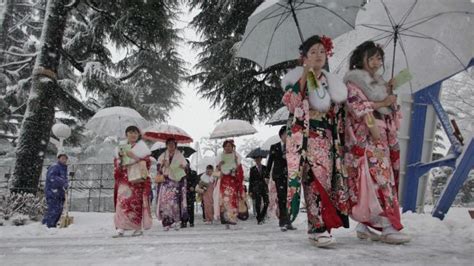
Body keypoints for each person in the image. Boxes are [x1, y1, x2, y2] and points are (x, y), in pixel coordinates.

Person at [281, 35, 350, 247]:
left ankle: (317, 227)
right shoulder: (297, 80)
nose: (318, 55)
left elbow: (337, 111)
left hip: (327, 139)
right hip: (306, 140)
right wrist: (305, 74)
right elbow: (293, 105)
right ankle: (319, 227)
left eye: (321, 51)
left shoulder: (331, 82)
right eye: (312, 52)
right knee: (312, 183)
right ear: (303, 57)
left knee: (326, 183)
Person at [343, 41, 410, 244]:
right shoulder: (353, 83)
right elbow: (357, 108)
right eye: (371, 57)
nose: (375, 62)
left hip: (383, 137)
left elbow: (392, 115)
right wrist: (382, 103)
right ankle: (388, 226)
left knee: (376, 180)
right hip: (368, 136)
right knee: (380, 181)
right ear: (360, 59)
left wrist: (390, 97)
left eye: (379, 58)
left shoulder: (381, 83)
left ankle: (365, 224)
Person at [113, 126, 152, 237]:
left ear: (138, 135)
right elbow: (117, 166)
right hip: (124, 180)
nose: (133, 135)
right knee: (121, 203)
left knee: (135, 204)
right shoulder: (120, 148)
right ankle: (121, 227)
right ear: (126, 135)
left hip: (136, 180)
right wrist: (120, 159)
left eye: (135, 133)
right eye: (130, 132)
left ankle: (137, 227)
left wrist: (134, 157)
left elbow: (147, 164)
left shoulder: (143, 149)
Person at [266, 126, 296, 231]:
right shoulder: (275, 147)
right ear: (281, 136)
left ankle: (289, 221)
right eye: (284, 135)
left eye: (288, 134)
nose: (286, 137)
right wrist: (266, 175)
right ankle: (283, 221)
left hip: (291, 176)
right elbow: (270, 162)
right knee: (282, 198)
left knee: (290, 199)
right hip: (279, 176)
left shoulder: (293, 147)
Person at [155, 138, 188, 231]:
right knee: (165, 202)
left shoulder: (180, 155)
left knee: (174, 203)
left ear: (175, 145)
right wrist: (162, 165)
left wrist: (183, 167)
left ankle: (176, 221)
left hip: (176, 181)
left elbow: (186, 168)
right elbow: (158, 169)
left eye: (173, 144)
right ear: (166, 145)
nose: (171, 146)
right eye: (169, 144)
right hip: (166, 181)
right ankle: (166, 222)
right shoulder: (163, 155)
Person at [215, 139, 244, 229]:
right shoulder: (220, 157)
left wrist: (236, 163)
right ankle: (225, 220)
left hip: (233, 181)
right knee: (224, 201)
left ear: (233, 147)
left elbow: (240, 172)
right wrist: (219, 166)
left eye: (229, 146)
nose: (228, 148)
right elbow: (215, 174)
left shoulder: (236, 157)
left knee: (232, 200)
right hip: (223, 181)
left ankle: (233, 219)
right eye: (226, 146)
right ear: (223, 147)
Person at [42, 153, 69, 228]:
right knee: (53, 210)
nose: (64, 160)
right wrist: (63, 182)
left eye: (65, 159)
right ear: (58, 159)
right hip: (52, 192)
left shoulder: (64, 168)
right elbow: (52, 177)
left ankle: (50, 225)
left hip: (60, 193)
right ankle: (48, 226)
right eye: (62, 158)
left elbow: (64, 179)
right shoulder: (55, 167)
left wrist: (66, 185)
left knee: (59, 210)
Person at [248, 156, 269, 224]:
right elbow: (250, 180)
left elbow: (267, 177)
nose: (258, 160)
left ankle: (261, 216)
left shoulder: (265, 168)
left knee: (266, 202)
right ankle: (259, 218)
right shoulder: (252, 169)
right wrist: (250, 191)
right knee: (258, 203)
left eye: (259, 159)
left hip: (264, 187)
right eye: (256, 159)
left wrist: (267, 179)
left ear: (261, 159)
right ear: (255, 160)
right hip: (256, 188)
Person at [182, 159, 198, 228]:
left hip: (190, 192)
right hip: (183, 192)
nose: (186, 166)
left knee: (191, 207)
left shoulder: (193, 173)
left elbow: (196, 181)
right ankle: (183, 222)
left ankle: (191, 222)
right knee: (183, 207)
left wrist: (193, 186)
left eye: (187, 164)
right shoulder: (180, 173)